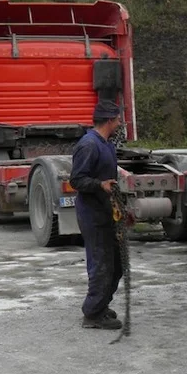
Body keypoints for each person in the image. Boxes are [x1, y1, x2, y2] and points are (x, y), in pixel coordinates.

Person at [70, 101, 125, 330]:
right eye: (118, 119)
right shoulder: (89, 145)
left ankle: (100, 305)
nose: (120, 123)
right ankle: (92, 314)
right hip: (92, 214)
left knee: (116, 264)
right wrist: (99, 185)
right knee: (102, 263)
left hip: (106, 211)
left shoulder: (106, 144)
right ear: (109, 120)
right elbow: (76, 180)